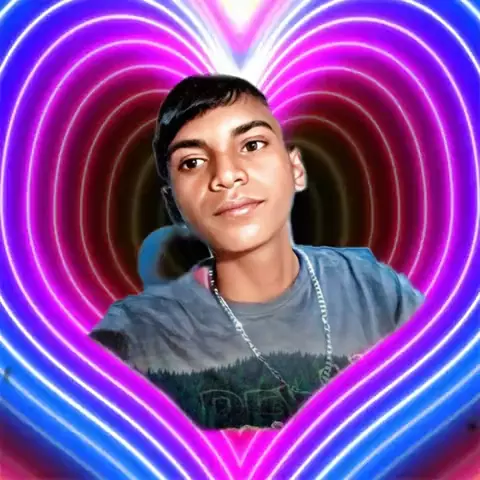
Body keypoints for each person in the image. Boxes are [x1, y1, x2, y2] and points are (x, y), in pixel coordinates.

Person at [90, 74, 424, 430]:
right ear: (173, 204)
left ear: (295, 169)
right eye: (192, 162)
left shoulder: (375, 291)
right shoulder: (139, 334)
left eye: (251, 145)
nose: (226, 175)